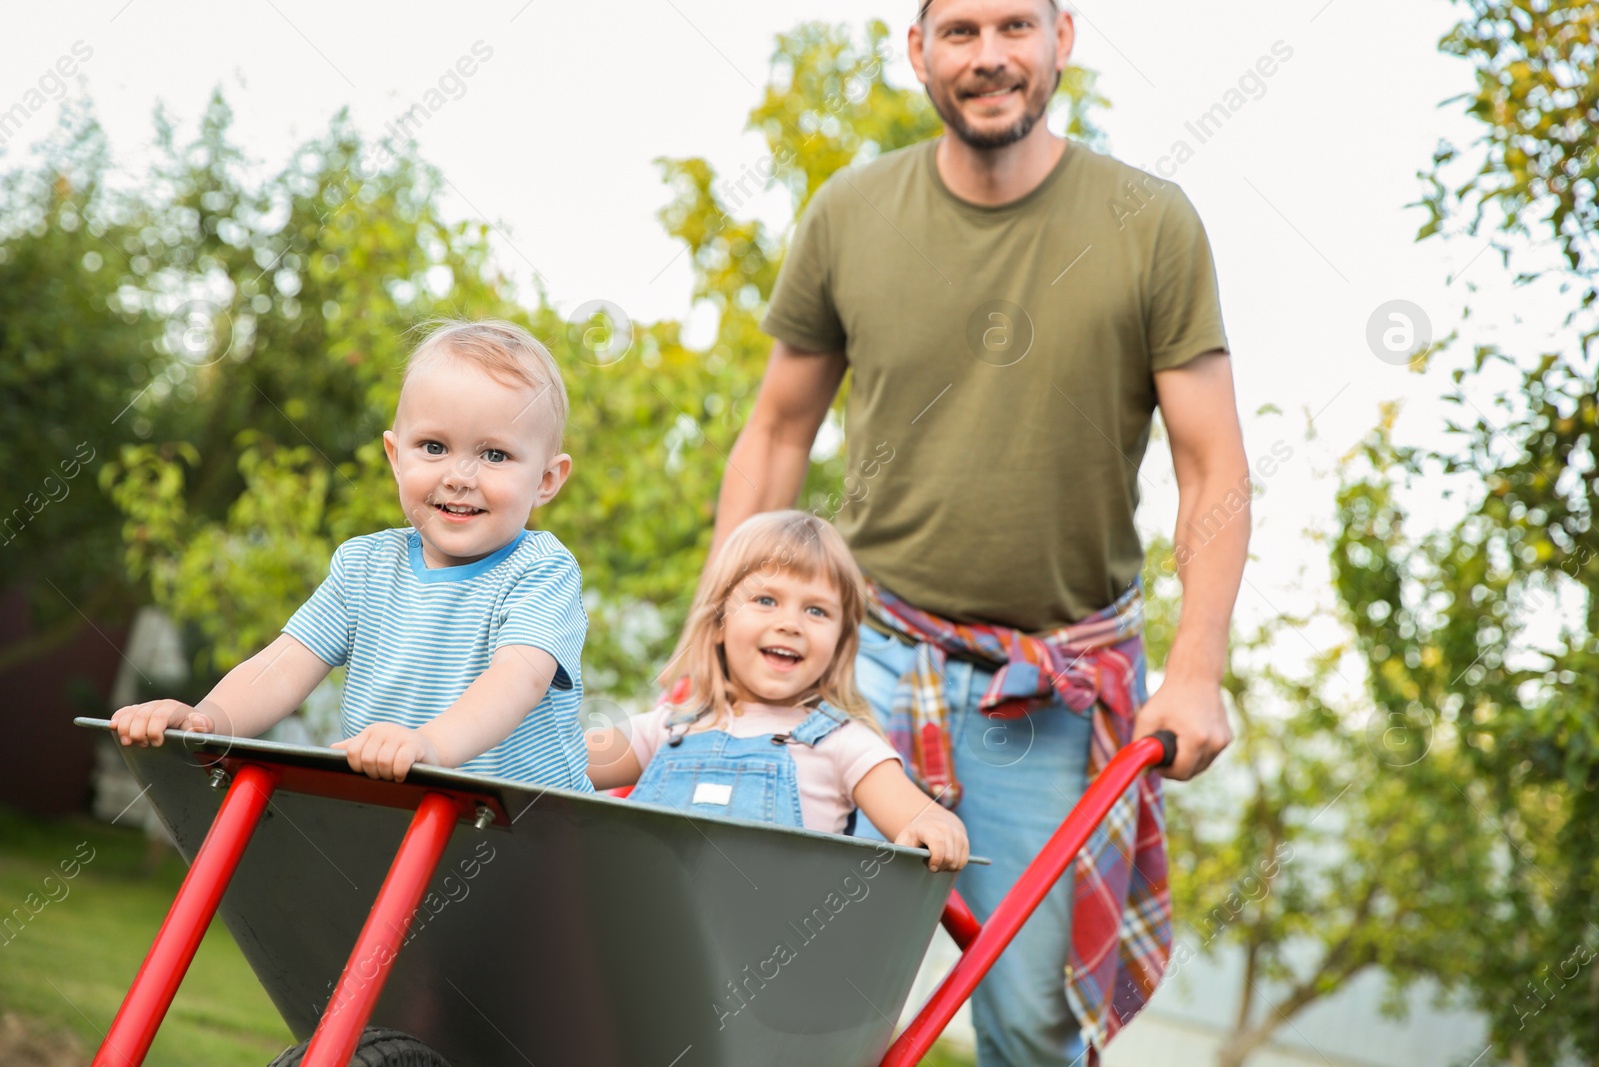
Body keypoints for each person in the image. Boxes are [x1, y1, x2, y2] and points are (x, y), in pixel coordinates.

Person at [674, 1, 1251, 1062]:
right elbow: (775, 430)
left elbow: (1210, 462)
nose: (989, 56)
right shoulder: (851, 211)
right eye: (960, 30)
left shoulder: (1149, 222)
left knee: (1029, 1016)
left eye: (1014, 26)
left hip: (1044, 682)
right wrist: (711, 633)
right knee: (754, 961)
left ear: (1062, 37)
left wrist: (1196, 664)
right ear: (917, 51)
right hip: (851, 658)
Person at [110, 319, 592, 788]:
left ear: (547, 481)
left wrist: (429, 747)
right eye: (433, 446)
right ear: (395, 456)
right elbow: (282, 668)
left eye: (494, 455)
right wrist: (205, 719)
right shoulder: (365, 567)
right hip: (400, 815)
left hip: (528, 837)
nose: (460, 476)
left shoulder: (540, 571)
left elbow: (517, 681)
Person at [589, 511, 969, 871]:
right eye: (766, 600)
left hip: (772, 936)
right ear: (719, 620)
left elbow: (922, 813)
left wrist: (937, 827)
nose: (790, 623)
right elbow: (559, 758)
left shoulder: (843, 742)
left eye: (817, 611)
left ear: (839, 643)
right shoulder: (670, 727)